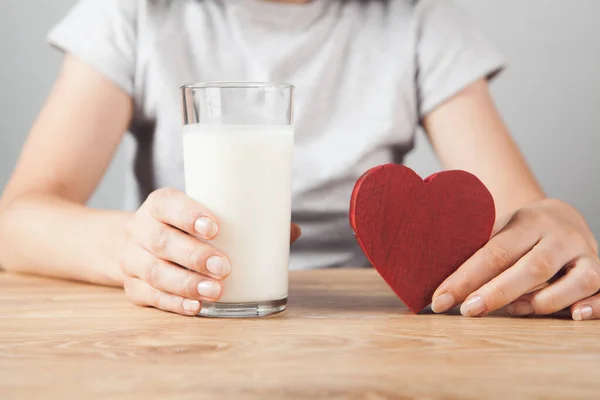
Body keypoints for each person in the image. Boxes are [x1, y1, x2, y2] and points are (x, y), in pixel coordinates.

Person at [0, 0, 598, 320]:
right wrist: (135, 250)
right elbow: (17, 222)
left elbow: (520, 218)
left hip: (368, 323)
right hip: (192, 312)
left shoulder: (415, 19)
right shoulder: (135, 13)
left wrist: (552, 226)